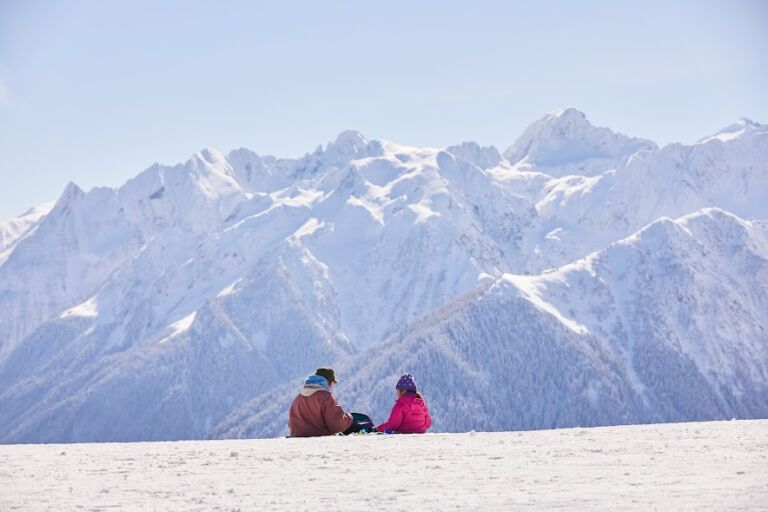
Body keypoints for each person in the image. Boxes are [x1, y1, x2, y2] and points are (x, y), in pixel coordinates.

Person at [289, 368, 353, 437]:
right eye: (332, 384)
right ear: (329, 382)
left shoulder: (298, 398)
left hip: (297, 440)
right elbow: (336, 425)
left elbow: (291, 424)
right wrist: (349, 418)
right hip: (318, 441)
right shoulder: (326, 397)